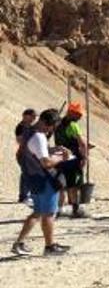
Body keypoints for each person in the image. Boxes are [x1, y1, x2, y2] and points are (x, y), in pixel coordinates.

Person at [11, 109, 71, 256]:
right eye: (52, 127)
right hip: (44, 179)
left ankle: (18, 243)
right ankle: (50, 247)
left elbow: (36, 150)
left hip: (32, 178)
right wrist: (62, 158)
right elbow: (45, 162)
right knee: (49, 213)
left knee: (37, 212)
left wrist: (52, 149)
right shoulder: (39, 137)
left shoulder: (28, 131)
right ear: (47, 124)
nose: (52, 130)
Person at [54, 102, 89, 218]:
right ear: (71, 113)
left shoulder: (57, 124)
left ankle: (60, 209)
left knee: (61, 185)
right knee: (73, 185)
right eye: (78, 114)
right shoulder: (73, 125)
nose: (80, 117)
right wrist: (84, 157)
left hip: (59, 158)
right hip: (72, 159)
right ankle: (75, 209)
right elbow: (82, 143)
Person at [14, 108, 36, 204]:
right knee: (26, 174)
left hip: (30, 154)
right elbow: (20, 141)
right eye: (32, 116)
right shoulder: (20, 127)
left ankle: (28, 195)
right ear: (25, 116)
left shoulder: (30, 127)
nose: (34, 118)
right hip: (23, 154)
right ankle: (23, 196)